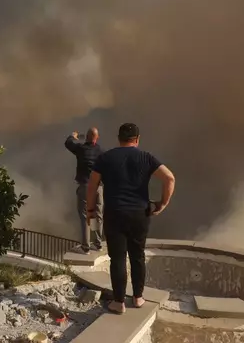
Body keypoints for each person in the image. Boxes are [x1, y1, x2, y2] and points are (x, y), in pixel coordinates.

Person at [87, 123, 175, 314]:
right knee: (137, 256)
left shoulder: (106, 158)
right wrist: (162, 203)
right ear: (137, 139)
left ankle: (118, 302)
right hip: (139, 214)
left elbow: (92, 185)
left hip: (114, 213)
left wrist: (90, 210)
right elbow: (169, 178)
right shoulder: (146, 157)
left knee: (117, 258)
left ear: (118, 138)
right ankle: (138, 297)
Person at [65, 127, 105, 253]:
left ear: (86, 137)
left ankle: (85, 247)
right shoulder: (101, 152)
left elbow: (68, 143)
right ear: (97, 138)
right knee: (97, 215)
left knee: (85, 216)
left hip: (85, 187)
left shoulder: (81, 149)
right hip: (98, 188)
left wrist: (73, 136)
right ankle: (97, 244)